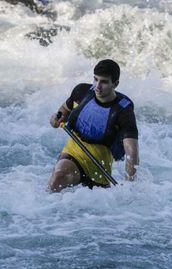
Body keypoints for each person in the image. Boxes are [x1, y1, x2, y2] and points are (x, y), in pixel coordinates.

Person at [48, 59, 139, 192]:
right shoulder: (81, 92)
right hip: (73, 154)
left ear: (115, 84)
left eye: (104, 82)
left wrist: (130, 186)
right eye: (95, 79)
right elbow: (61, 114)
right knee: (58, 176)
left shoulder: (123, 112)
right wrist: (55, 120)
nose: (97, 86)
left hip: (99, 172)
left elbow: (132, 152)